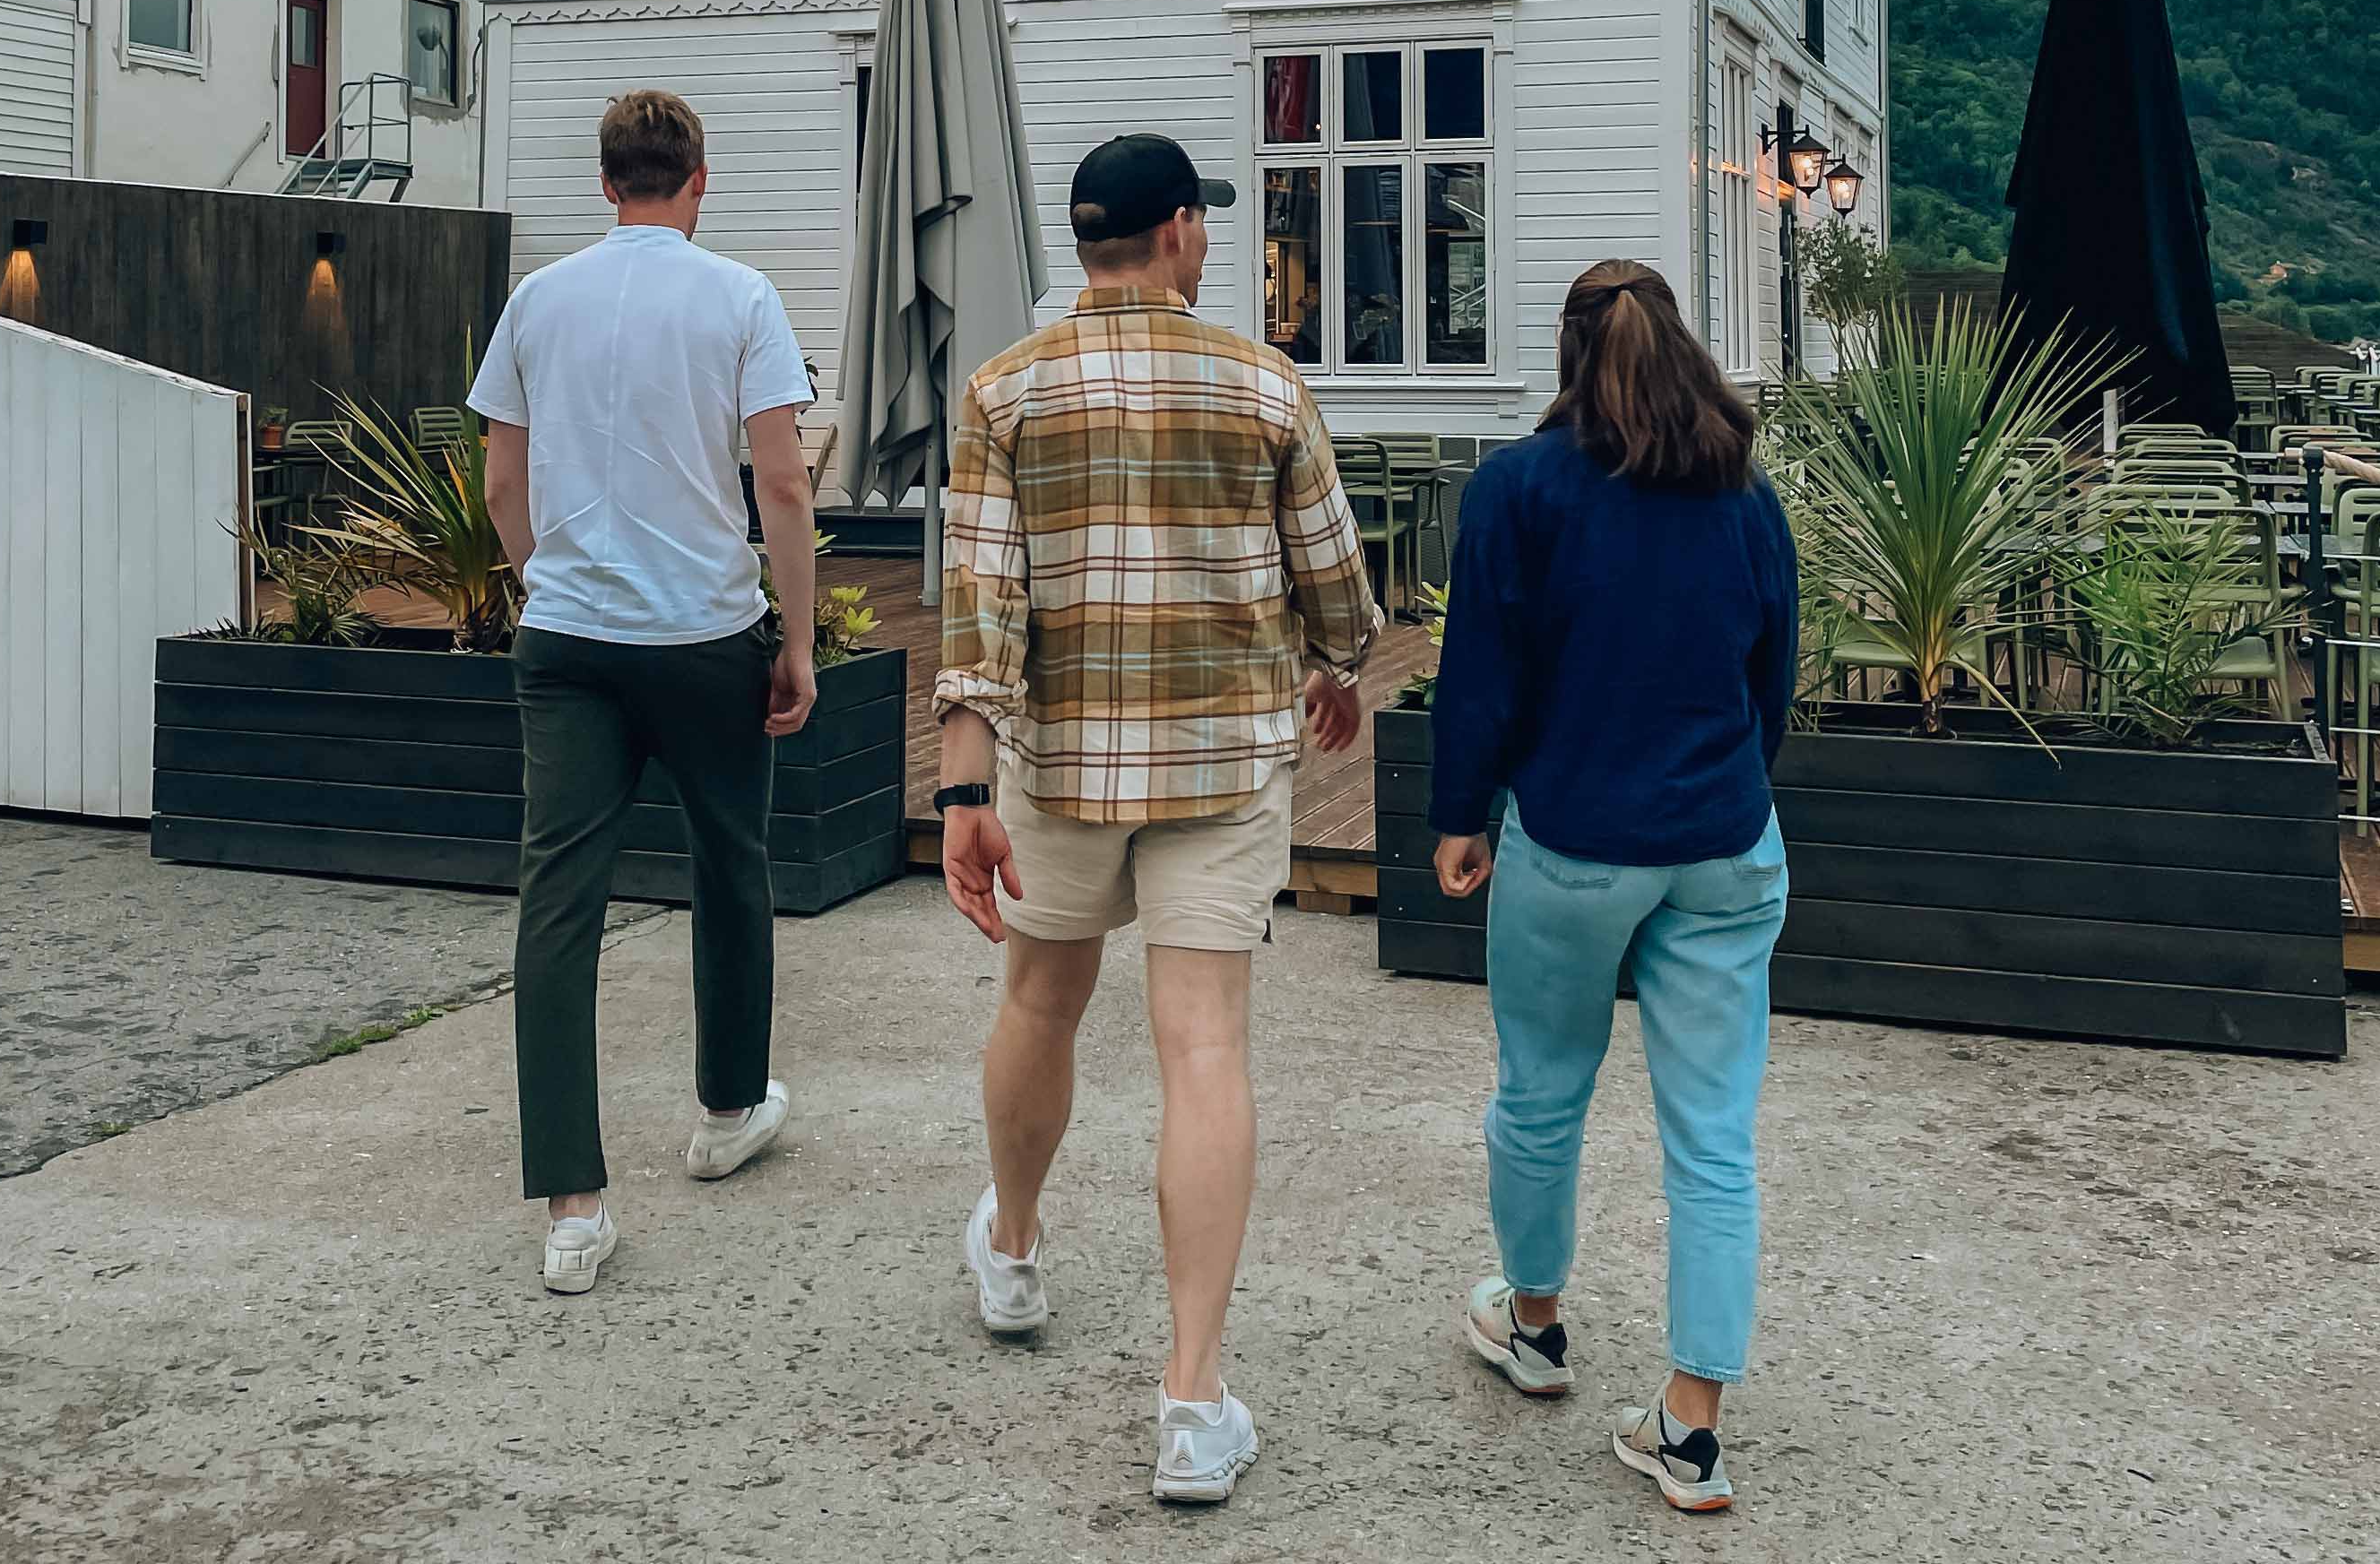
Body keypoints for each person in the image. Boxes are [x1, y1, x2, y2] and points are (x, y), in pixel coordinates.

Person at [932, 134, 1381, 1508]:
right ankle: (1192, 1402)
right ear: (1182, 231)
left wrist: (963, 790)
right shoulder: (1266, 384)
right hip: (1220, 766)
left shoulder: (1003, 391)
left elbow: (980, 609)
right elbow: (1338, 590)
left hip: (1059, 762)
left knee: (1040, 1003)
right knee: (1203, 1048)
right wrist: (1338, 663)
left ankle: (1015, 1251)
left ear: (1090, 243)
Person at [1428, 258, 1797, 1518]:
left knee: (1541, 1093)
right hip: (1726, 843)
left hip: (1573, 840)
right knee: (1714, 1141)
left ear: (1569, 353)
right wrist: (1728, 786)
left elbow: (1481, 670)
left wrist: (1461, 815)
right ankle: (1691, 1430)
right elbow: (1771, 677)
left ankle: (1533, 1326)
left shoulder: (1517, 489)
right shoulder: (1745, 494)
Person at [469, 89, 821, 1297]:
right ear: (700, 180)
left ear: (605, 181)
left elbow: (502, 479)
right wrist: (800, 640)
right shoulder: (742, 298)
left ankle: (573, 1209)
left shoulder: (538, 299)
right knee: (730, 863)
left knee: (558, 902)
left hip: (570, 637)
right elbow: (783, 484)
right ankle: (727, 1111)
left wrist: (545, 581)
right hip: (704, 631)